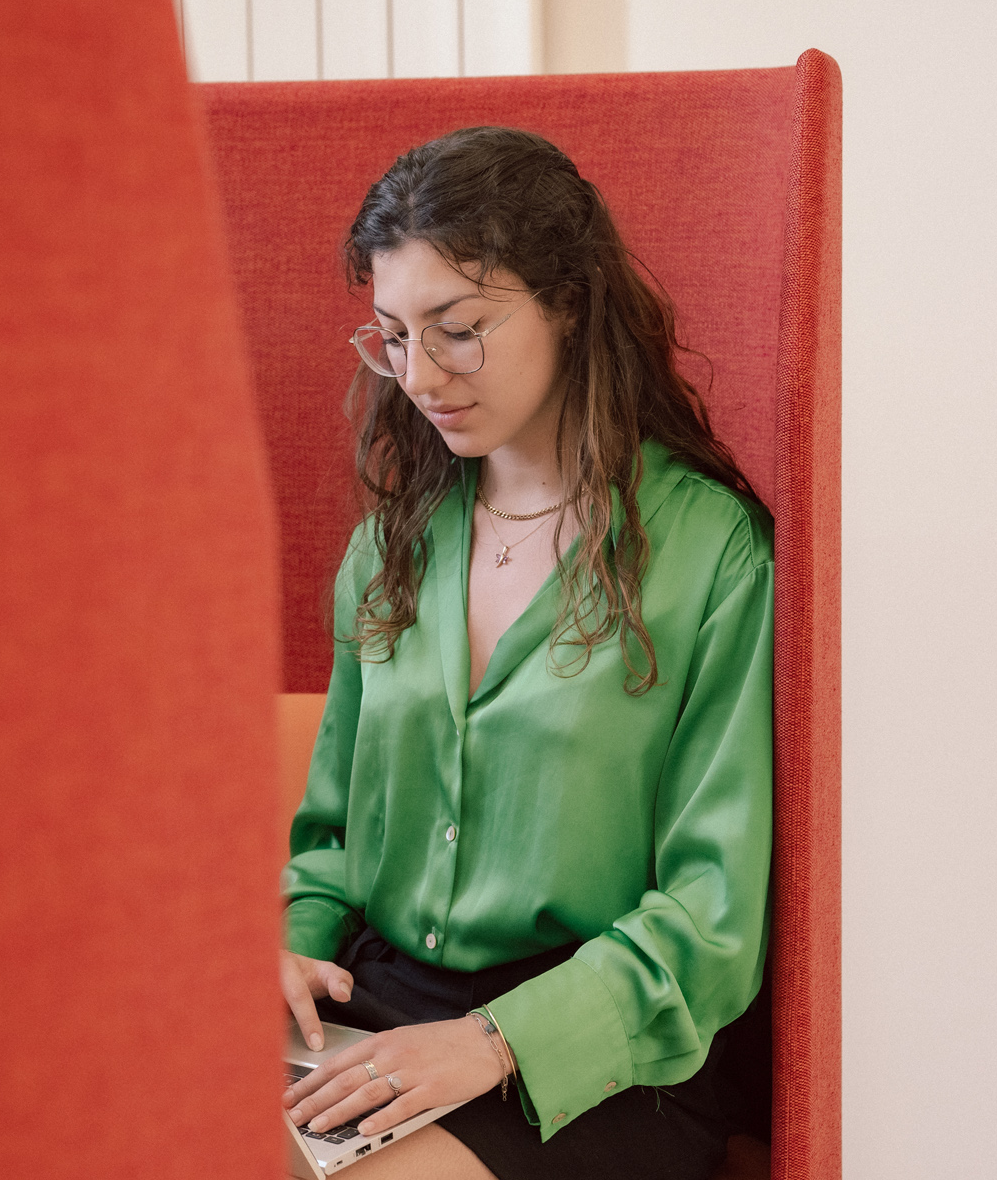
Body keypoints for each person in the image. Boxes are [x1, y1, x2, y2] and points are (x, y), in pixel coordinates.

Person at [277, 126, 774, 1180]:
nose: (419, 375)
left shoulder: (709, 551)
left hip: (598, 1053)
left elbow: (712, 921)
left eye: (458, 329)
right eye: (391, 337)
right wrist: (289, 942)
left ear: (569, 304)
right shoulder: (390, 546)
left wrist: (493, 1043)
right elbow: (328, 833)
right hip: (378, 1002)